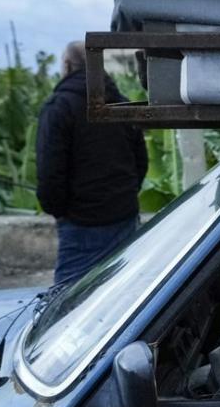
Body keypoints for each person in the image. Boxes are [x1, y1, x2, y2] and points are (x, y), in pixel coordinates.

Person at [35, 39, 147, 286]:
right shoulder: (120, 102)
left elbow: (50, 171)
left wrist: (59, 210)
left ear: (66, 65)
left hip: (81, 224)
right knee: (121, 292)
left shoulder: (59, 107)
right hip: (124, 216)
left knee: (68, 302)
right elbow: (141, 161)